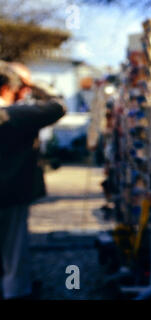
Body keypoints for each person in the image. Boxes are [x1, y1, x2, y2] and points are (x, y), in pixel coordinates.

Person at [0, 61, 66, 299]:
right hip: (11, 195)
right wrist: (33, 83)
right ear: (10, 87)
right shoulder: (16, 115)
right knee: (14, 255)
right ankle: (16, 294)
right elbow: (58, 106)